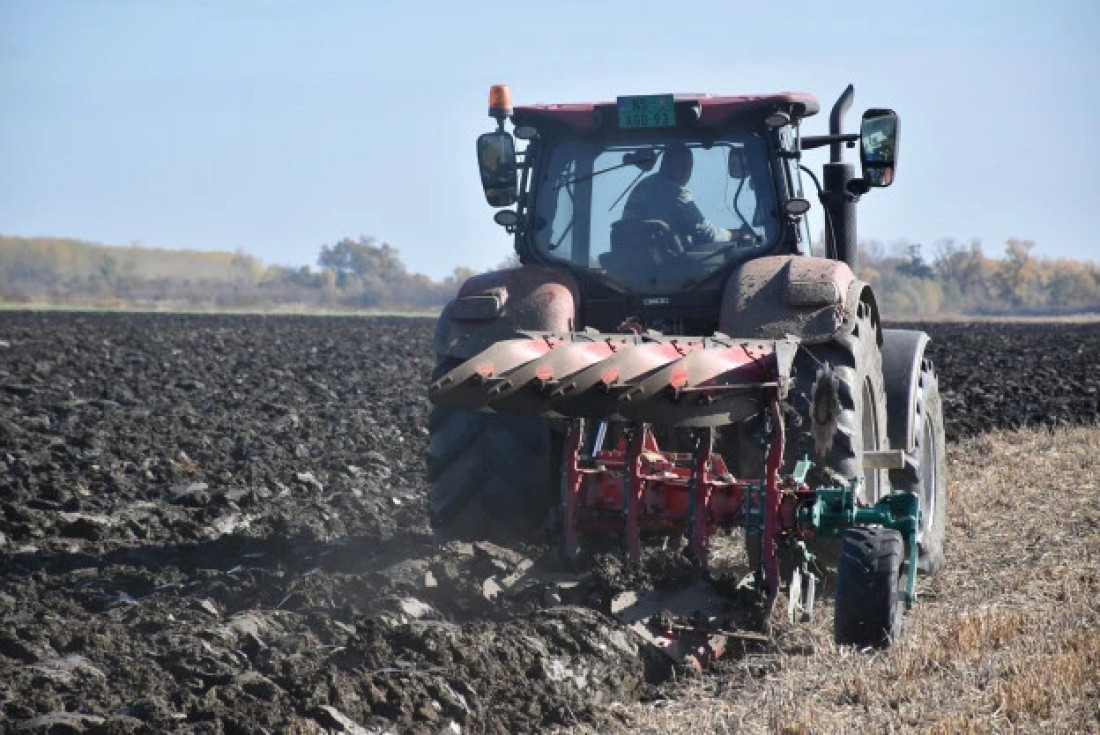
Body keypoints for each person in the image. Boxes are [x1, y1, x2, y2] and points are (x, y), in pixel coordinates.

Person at [620, 143, 734, 249]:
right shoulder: (675, 193)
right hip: (666, 265)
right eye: (682, 167)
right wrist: (730, 235)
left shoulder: (644, 186)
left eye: (689, 168)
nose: (686, 173)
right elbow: (706, 234)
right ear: (665, 164)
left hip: (635, 261)